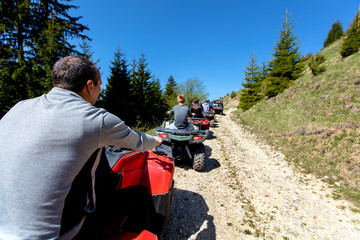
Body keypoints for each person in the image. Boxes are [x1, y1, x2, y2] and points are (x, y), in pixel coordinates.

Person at [0, 56, 162, 240]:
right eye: (100, 86)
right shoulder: (96, 118)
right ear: (89, 85)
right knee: (138, 194)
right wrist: (156, 140)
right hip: (56, 234)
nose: (100, 91)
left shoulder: (18, 108)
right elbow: (139, 141)